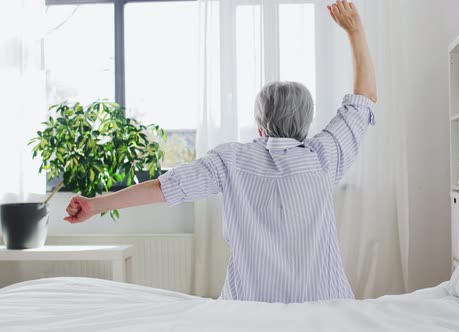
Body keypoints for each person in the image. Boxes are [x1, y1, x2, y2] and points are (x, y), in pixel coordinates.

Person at [65, 0, 376, 303]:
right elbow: (364, 99)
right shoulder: (326, 156)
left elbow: (162, 188)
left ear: (259, 125)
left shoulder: (230, 160)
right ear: (307, 123)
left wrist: (96, 204)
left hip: (248, 310)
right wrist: (354, 31)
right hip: (326, 305)